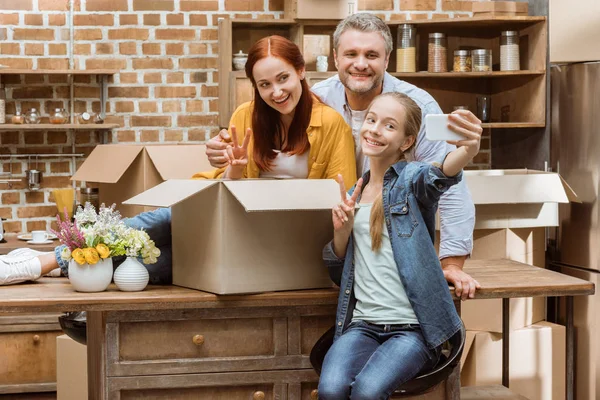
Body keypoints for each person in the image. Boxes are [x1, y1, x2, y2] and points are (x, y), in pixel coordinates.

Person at [0, 35, 356, 286]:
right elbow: (232, 187)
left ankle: (56, 262)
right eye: (264, 85)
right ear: (254, 87)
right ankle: (44, 261)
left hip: (277, 239)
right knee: (158, 220)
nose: (276, 92)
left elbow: (339, 196)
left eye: (283, 79)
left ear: (301, 71)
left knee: (142, 263)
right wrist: (234, 165)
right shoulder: (247, 115)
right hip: (232, 220)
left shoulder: (330, 124)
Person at [205, 13, 481, 300]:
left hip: (391, 242)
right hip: (335, 238)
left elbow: (449, 186)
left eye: (371, 54)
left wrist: (451, 263)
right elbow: (261, 126)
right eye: (351, 54)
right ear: (336, 58)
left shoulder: (417, 106)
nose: (360, 63)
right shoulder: (317, 99)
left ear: (387, 60)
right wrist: (221, 149)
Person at [318, 91, 480, 400]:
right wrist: (343, 230)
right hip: (363, 325)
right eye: (372, 120)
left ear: (406, 142)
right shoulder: (355, 191)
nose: (375, 129)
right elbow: (340, 272)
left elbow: (439, 175)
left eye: (389, 126)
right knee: (330, 389)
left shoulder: (410, 179)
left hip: (413, 329)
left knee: (367, 392)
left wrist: (467, 151)